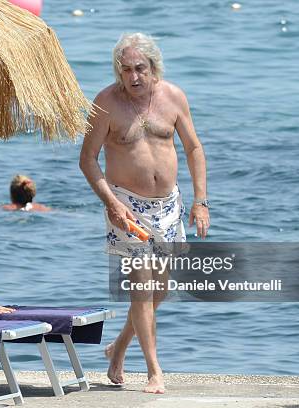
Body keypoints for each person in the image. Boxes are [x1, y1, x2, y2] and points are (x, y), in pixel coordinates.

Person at [79, 33, 210, 393]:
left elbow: (194, 148)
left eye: (140, 69)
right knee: (142, 289)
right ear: (118, 72)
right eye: (126, 70)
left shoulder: (173, 97)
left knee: (161, 289)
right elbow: (87, 160)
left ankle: (119, 346)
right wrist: (111, 202)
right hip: (125, 205)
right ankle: (154, 371)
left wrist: (201, 201)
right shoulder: (105, 103)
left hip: (169, 205)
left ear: (154, 68)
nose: (133, 77)